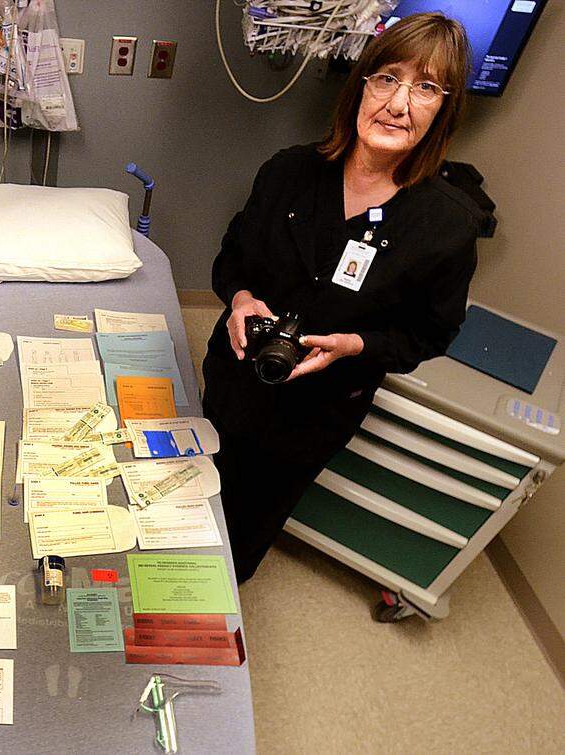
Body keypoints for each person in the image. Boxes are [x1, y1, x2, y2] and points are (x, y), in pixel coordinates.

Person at [202, 13, 480, 583]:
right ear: (362, 84)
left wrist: (356, 344)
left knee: (245, 531)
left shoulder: (448, 225)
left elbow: (429, 334)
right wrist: (241, 299)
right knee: (195, 489)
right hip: (234, 377)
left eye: (426, 88)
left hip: (316, 413)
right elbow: (232, 258)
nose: (398, 104)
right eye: (388, 78)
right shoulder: (288, 172)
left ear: (443, 110)